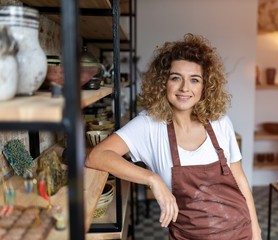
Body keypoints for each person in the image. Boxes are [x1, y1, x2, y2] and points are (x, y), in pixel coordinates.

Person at [85, 33, 262, 239]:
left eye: (194, 80)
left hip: (241, 231)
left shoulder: (220, 122)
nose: (185, 88)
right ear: (163, 82)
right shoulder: (149, 125)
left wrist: (255, 230)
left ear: (205, 87)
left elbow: (239, 178)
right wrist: (152, 179)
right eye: (176, 78)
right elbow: (96, 156)